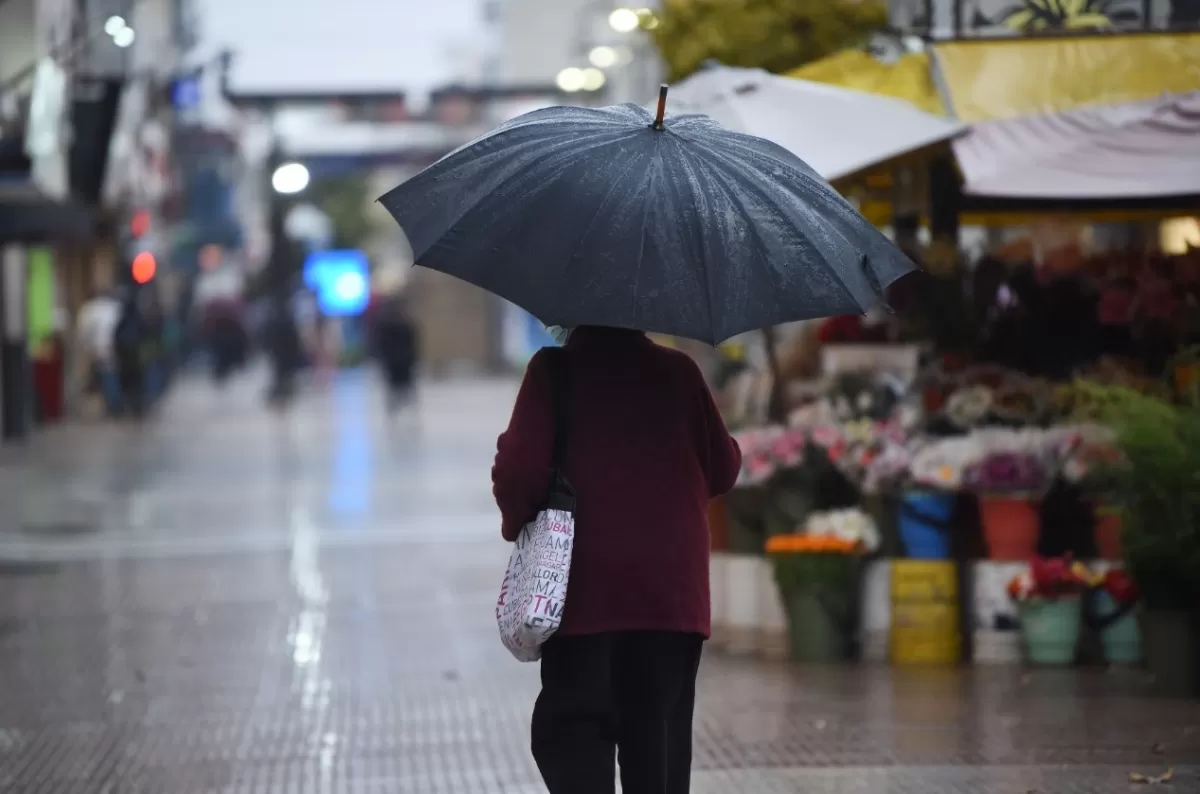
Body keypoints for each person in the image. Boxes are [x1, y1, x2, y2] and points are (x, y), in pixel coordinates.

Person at [492, 325, 742, 794]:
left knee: (574, 737)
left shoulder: (554, 372)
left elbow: (520, 473)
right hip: (672, 598)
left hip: (582, 595)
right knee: (657, 746)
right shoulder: (680, 372)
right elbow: (723, 469)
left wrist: (516, 520)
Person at [76, 287, 122, 416]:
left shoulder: (88, 309)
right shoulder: (114, 307)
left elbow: (83, 332)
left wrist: (87, 348)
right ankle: (113, 403)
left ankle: (111, 404)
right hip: (113, 348)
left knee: (103, 377)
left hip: (97, 348)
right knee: (109, 376)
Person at [371, 294, 420, 411]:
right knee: (403, 386)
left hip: (394, 360)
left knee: (396, 386)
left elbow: (380, 343)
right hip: (402, 360)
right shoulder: (404, 322)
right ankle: (404, 406)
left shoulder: (386, 323)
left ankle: (398, 406)